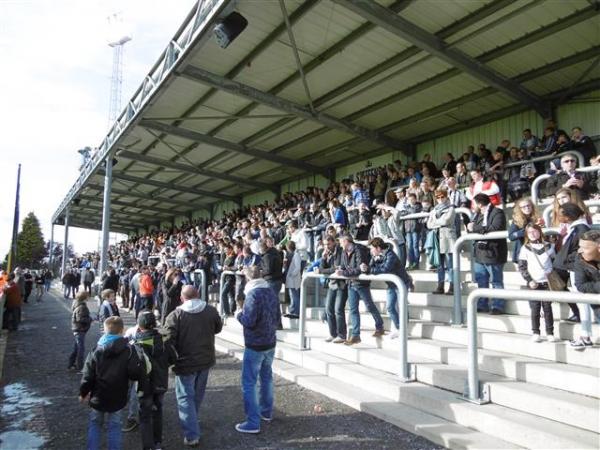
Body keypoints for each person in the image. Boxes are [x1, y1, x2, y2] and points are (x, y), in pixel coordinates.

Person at [164, 286, 222, 447]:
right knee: (197, 394)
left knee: (184, 397)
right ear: (198, 295)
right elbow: (218, 327)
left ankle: (191, 434)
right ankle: (192, 421)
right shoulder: (210, 310)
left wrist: (171, 359)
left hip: (184, 362)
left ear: (182, 298)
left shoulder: (176, 315)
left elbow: (167, 339)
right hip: (205, 359)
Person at [79, 316, 144, 450]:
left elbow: (88, 375)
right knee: (115, 425)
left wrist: (83, 392)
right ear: (122, 331)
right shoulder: (129, 350)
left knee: (95, 423)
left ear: (105, 330)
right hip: (118, 394)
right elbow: (135, 374)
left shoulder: (96, 350)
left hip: (98, 394)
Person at [234, 266, 279, 434]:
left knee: (249, 383)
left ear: (248, 279)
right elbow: (277, 317)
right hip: (270, 341)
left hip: (255, 344)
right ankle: (266, 412)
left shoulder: (252, 294)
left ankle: (252, 422)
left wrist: (239, 314)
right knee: (266, 377)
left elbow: (249, 321)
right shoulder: (270, 291)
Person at [336, 234, 385, 345]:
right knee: (353, 309)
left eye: (341, 242)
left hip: (361, 283)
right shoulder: (344, 252)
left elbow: (359, 269)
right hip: (351, 283)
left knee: (369, 305)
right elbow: (344, 266)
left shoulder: (359, 250)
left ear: (347, 241)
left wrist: (343, 272)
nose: (340, 244)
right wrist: (341, 269)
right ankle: (355, 335)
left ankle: (379, 325)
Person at [132, 312, 169, 450]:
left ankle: (148, 446)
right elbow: (173, 358)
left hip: (144, 385)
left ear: (140, 327)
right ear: (154, 324)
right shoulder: (164, 341)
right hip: (160, 382)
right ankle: (158, 443)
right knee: (158, 412)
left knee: (145, 416)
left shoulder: (136, 344)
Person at [517, 224, 559, 343]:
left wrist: (551, 273)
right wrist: (529, 280)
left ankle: (550, 333)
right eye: (530, 232)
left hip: (547, 282)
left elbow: (555, 262)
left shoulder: (549, 246)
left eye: (535, 231)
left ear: (540, 232)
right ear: (526, 234)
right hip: (534, 283)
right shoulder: (525, 248)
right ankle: (536, 332)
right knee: (535, 308)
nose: (533, 234)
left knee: (547, 308)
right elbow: (522, 267)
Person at [362, 237, 411, 339]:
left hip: (401, 283)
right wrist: (367, 268)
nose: (371, 251)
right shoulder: (376, 256)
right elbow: (371, 268)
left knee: (402, 307)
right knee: (390, 307)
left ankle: (404, 330)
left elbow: (385, 269)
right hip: (391, 285)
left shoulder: (390, 255)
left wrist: (370, 269)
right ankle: (399, 328)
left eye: (372, 249)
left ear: (378, 248)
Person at [467, 193, 507, 314]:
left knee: (496, 281)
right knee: (481, 281)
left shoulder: (497, 212)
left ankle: (497, 306)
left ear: (479, 204)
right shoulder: (477, 215)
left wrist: (474, 228)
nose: (472, 206)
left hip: (493, 253)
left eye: (473, 203)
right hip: (479, 253)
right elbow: (473, 229)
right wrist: (473, 228)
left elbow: (495, 228)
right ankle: (482, 304)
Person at [553, 203, 591, 322]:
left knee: (580, 294)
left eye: (560, 215)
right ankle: (577, 313)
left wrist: (568, 259)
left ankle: (583, 319)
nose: (558, 217)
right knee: (557, 287)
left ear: (568, 217)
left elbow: (582, 249)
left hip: (574, 267)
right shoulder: (572, 228)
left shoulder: (581, 229)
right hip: (563, 266)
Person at [571, 230, 600, 349]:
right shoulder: (579, 260)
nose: (581, 250)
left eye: (586, 247)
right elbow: (581, 285)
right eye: (580, 247)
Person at [315, 236, 347, 343]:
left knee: (338, 309)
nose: (326, 247)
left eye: (328, 244)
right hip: (332, 284)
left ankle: (342, 335)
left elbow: (337, 267)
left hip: (341, 284)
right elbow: (322, 268)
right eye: (324, 244)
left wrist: (323, 270)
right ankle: (333, 334)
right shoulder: (327, 253)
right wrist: (323, 259)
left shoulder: (341, 251)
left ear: (334, 242)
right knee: (329, 309)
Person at [427, 189, 456, 295]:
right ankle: (440, 286)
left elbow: (447, 220)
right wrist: (438, 222)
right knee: (439, 265)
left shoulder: (451, 207)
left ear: (446, 196)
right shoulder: (434, 209)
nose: (440, 199)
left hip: (448, 239)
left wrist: (435, 222)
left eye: (442, 197)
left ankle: (452, 286)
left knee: (450, 265)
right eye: (438, 197)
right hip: (437, 239)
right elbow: (428, 225)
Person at [508, 198, 543, 264]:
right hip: (523, 251)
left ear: (532, 206)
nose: (527, 208)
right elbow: (511, 236)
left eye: (528, 205)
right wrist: (528, 230)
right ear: (520, 209)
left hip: (537, 250)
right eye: (523, 207)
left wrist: (542, 226)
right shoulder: (516, 220)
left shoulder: (537, 217)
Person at [68, 291, 92, 371]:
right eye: (88, 296)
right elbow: (80, 319)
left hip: (78, 329)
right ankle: (80, 366)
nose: (89, 297)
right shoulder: (82, 307)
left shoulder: (77, 304)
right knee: (80, 349)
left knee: (76, 348)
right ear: (85, 297)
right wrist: (90, 319)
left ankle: (71, 364)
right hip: (80, 329)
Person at [283, 241, 302, 319]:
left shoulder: (296, 255)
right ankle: (292, 310)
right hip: (290, 279)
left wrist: (291, 274)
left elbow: (297, 267)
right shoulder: (289, 255)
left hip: (294, 278)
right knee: (292, 294)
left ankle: (296, 312)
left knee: (295, 295)